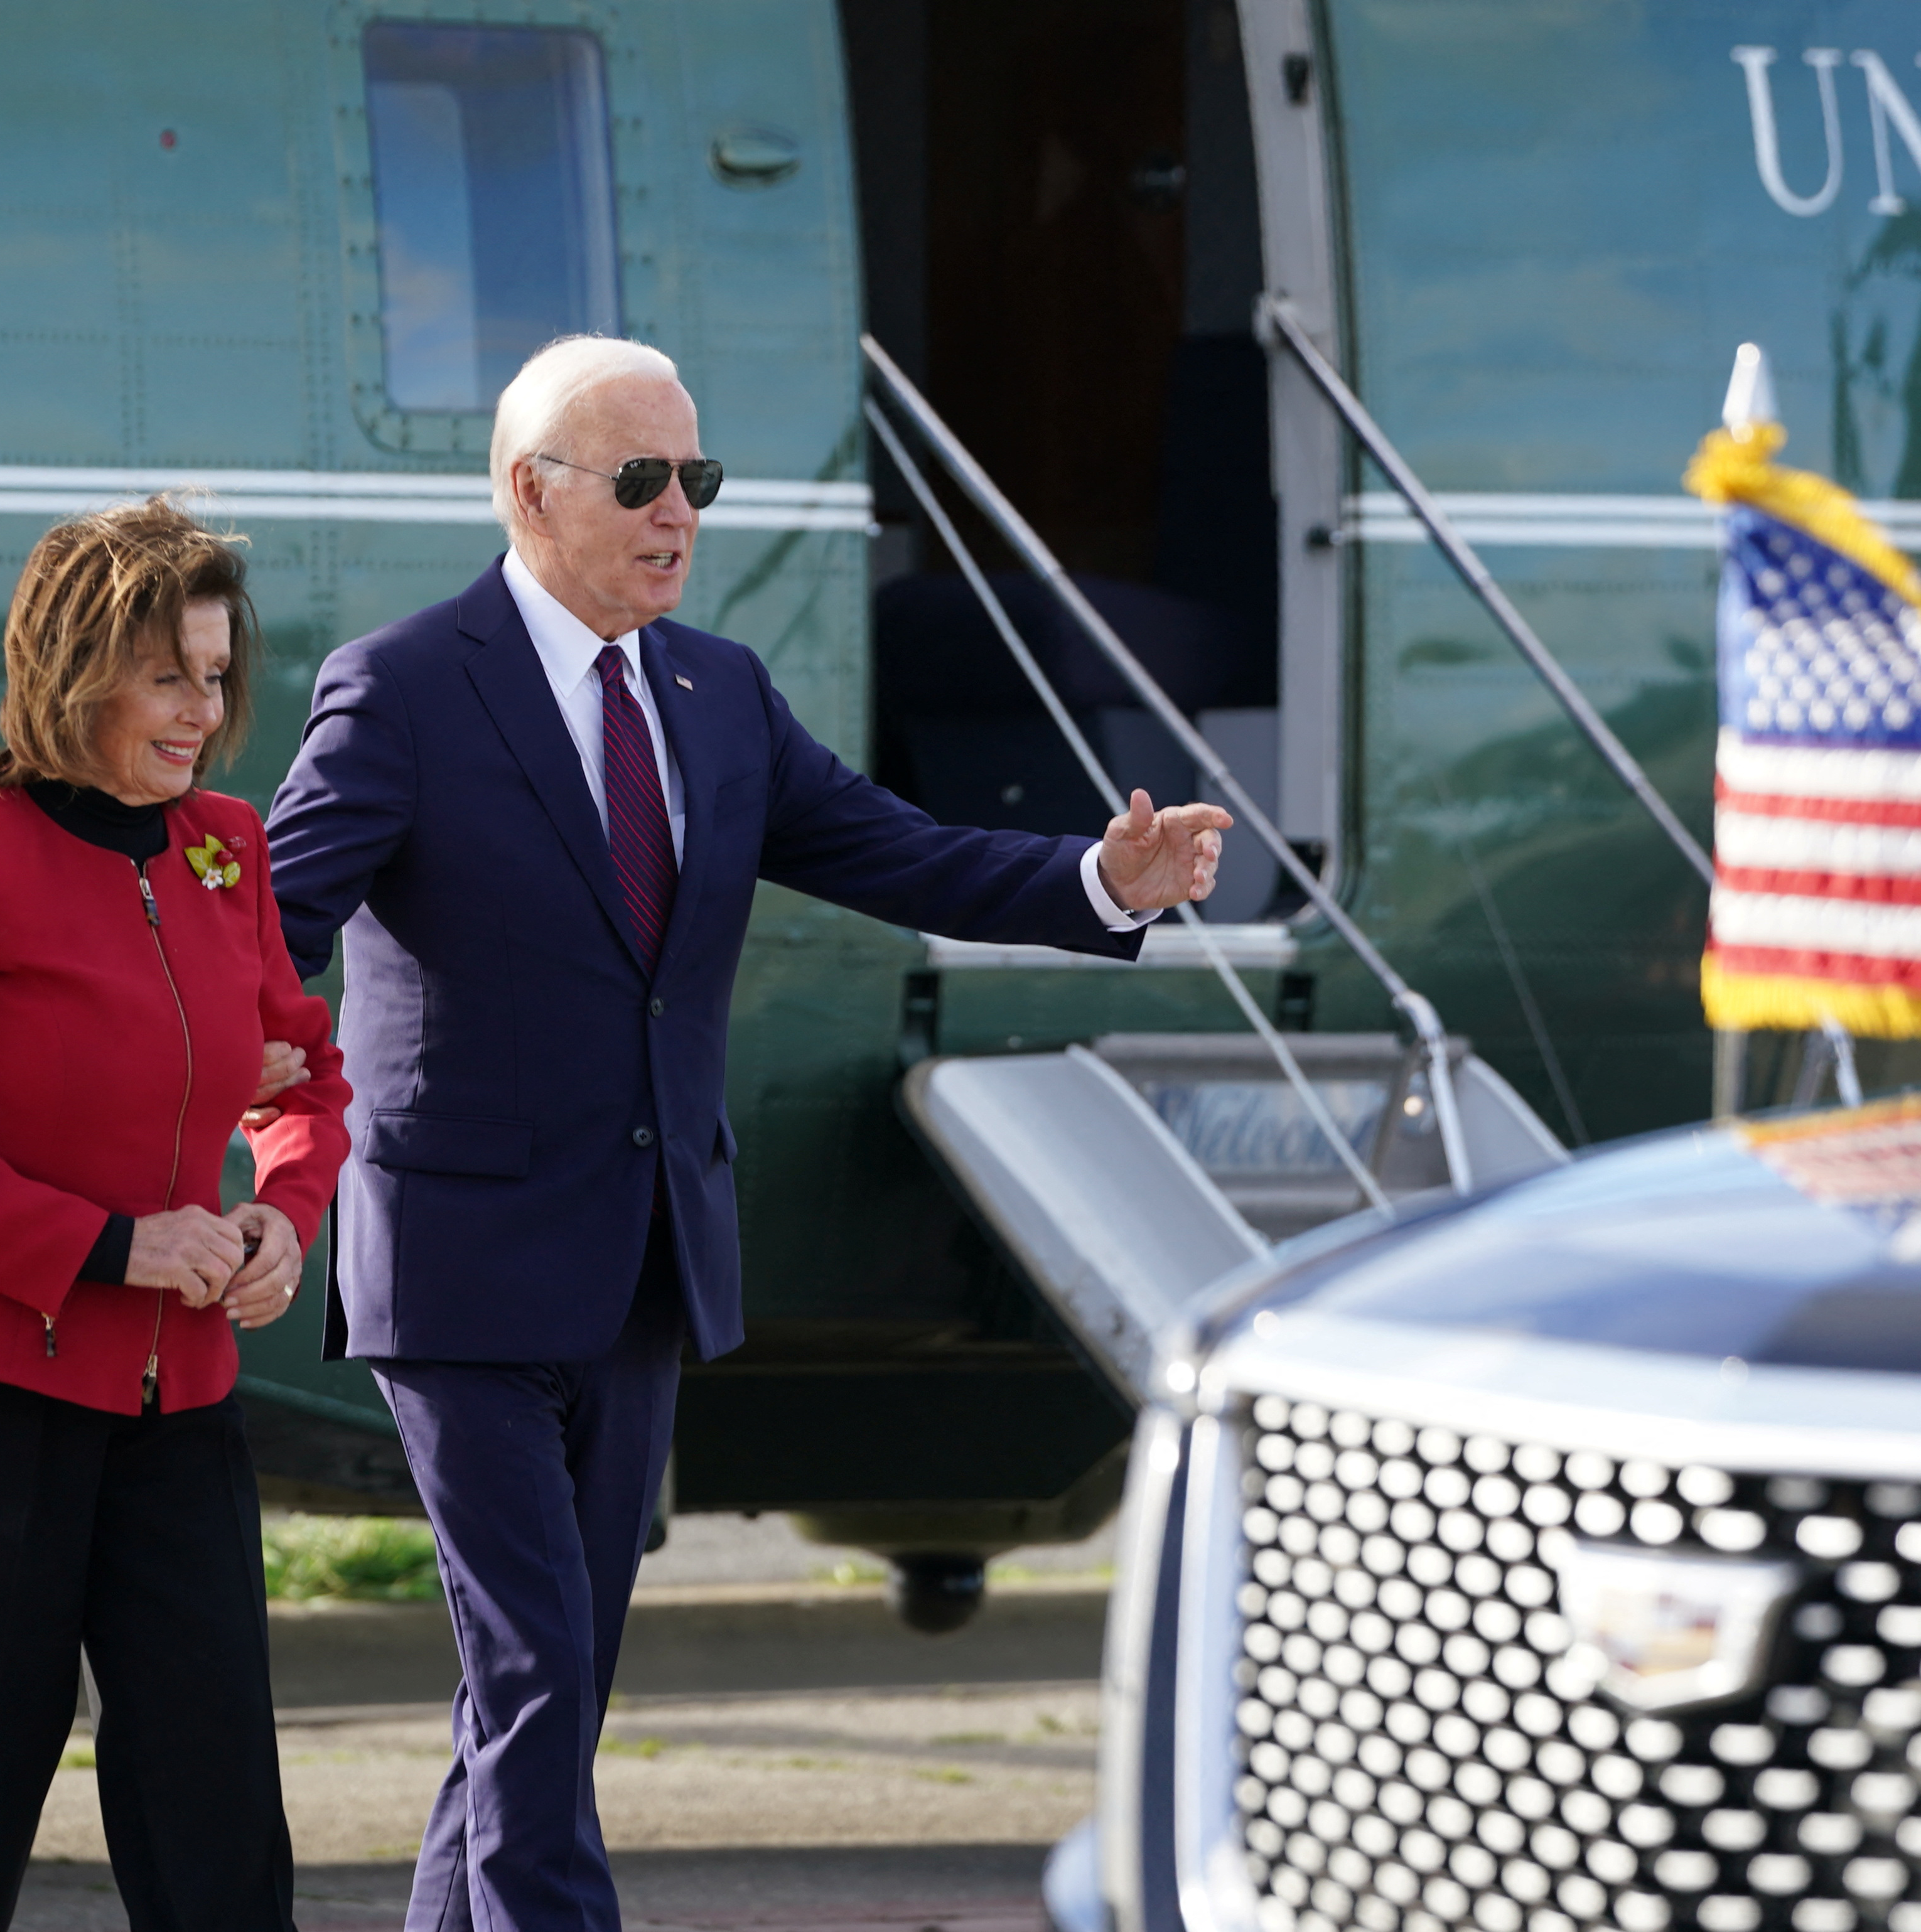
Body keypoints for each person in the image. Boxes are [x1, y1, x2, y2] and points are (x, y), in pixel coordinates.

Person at [264, 336, 1230, 1930]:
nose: (677, 514)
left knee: (550, 1690)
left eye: (694, 481)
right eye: (640, 481)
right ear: (532, 493)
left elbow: (894, 854)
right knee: (533, 1664)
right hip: (459, 1266)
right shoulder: (407, 685)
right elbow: (270, 929)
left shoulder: (718, 695)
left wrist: (1098, 885)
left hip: (638, 1265)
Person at [0, 495, 350, 1932]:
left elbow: (307, 1072)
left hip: (181, 1403)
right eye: (167, 676)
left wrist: (287, 1209)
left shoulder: (226, 846)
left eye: (218, 675)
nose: (201, 712)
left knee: (217, 1804)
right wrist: (115, 1247)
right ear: (71, 670)